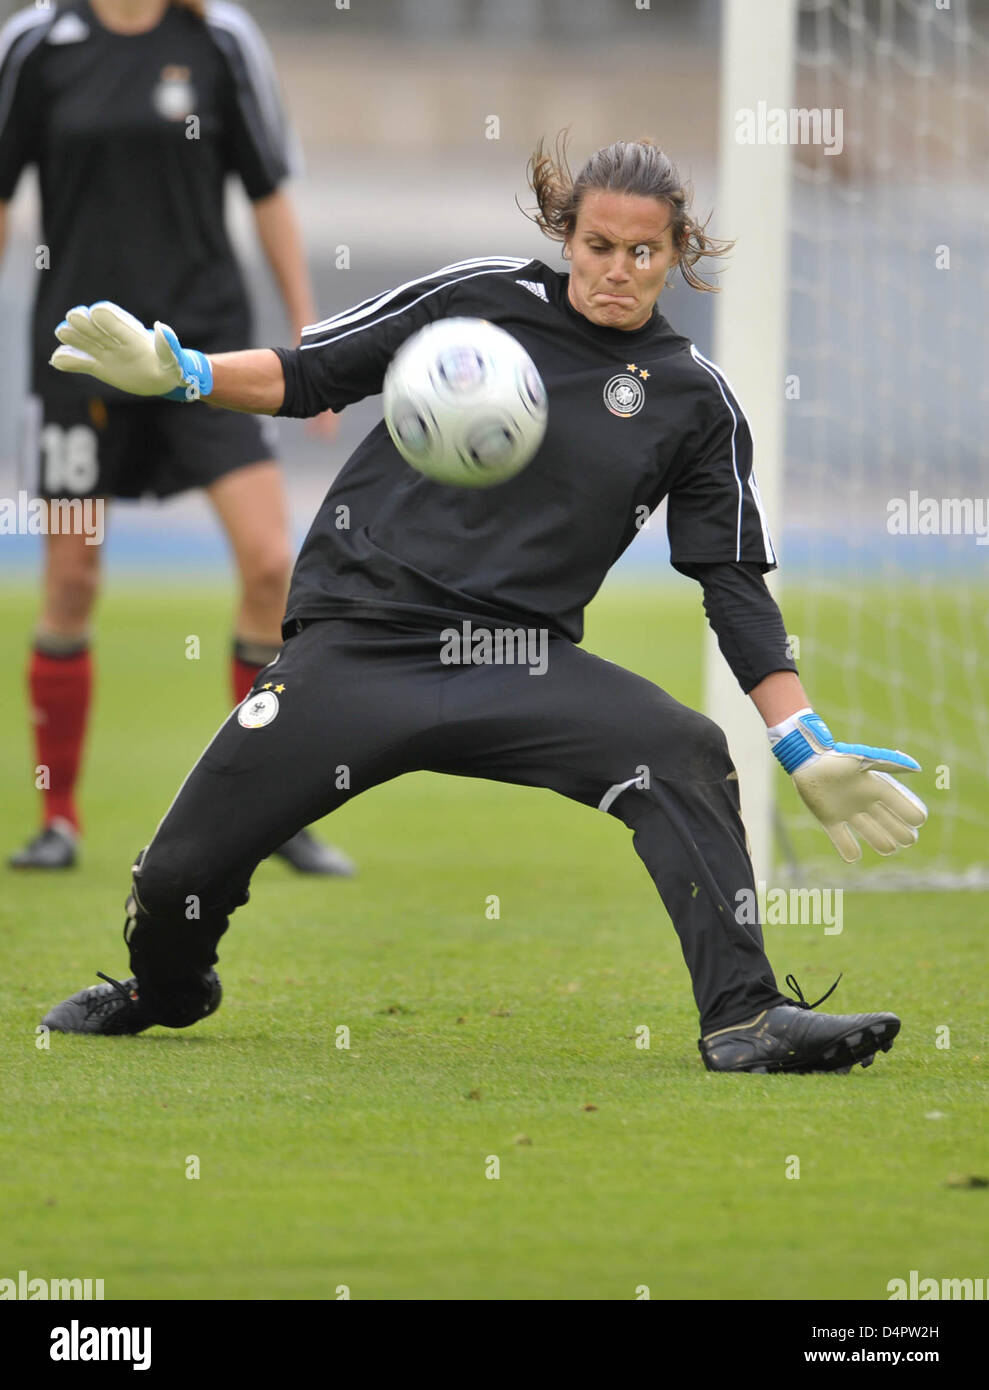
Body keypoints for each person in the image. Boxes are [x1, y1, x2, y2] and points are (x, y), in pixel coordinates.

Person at [40, 137, 928, 1072]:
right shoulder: (477, 300)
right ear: (566, 236)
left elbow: (733, 585)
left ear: (677, 257)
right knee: (178, 878)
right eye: (596, 246)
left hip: (517, 666)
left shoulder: (692, 402)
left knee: (682, 753)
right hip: (358, 643)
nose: (616, 271)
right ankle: (167, 991)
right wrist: (183, 372)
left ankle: (744, 1019)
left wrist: (802, 743)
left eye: (642, 253)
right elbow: (310, 375)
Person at [0, 0, 354, 875]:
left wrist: (311, 335)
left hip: (201, 361)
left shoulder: (221, 41)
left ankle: (268, 812)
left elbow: (269, 193)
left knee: (273, 566)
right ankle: (60, 819)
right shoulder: (37, 44)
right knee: (73, 581)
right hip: (79, 367)